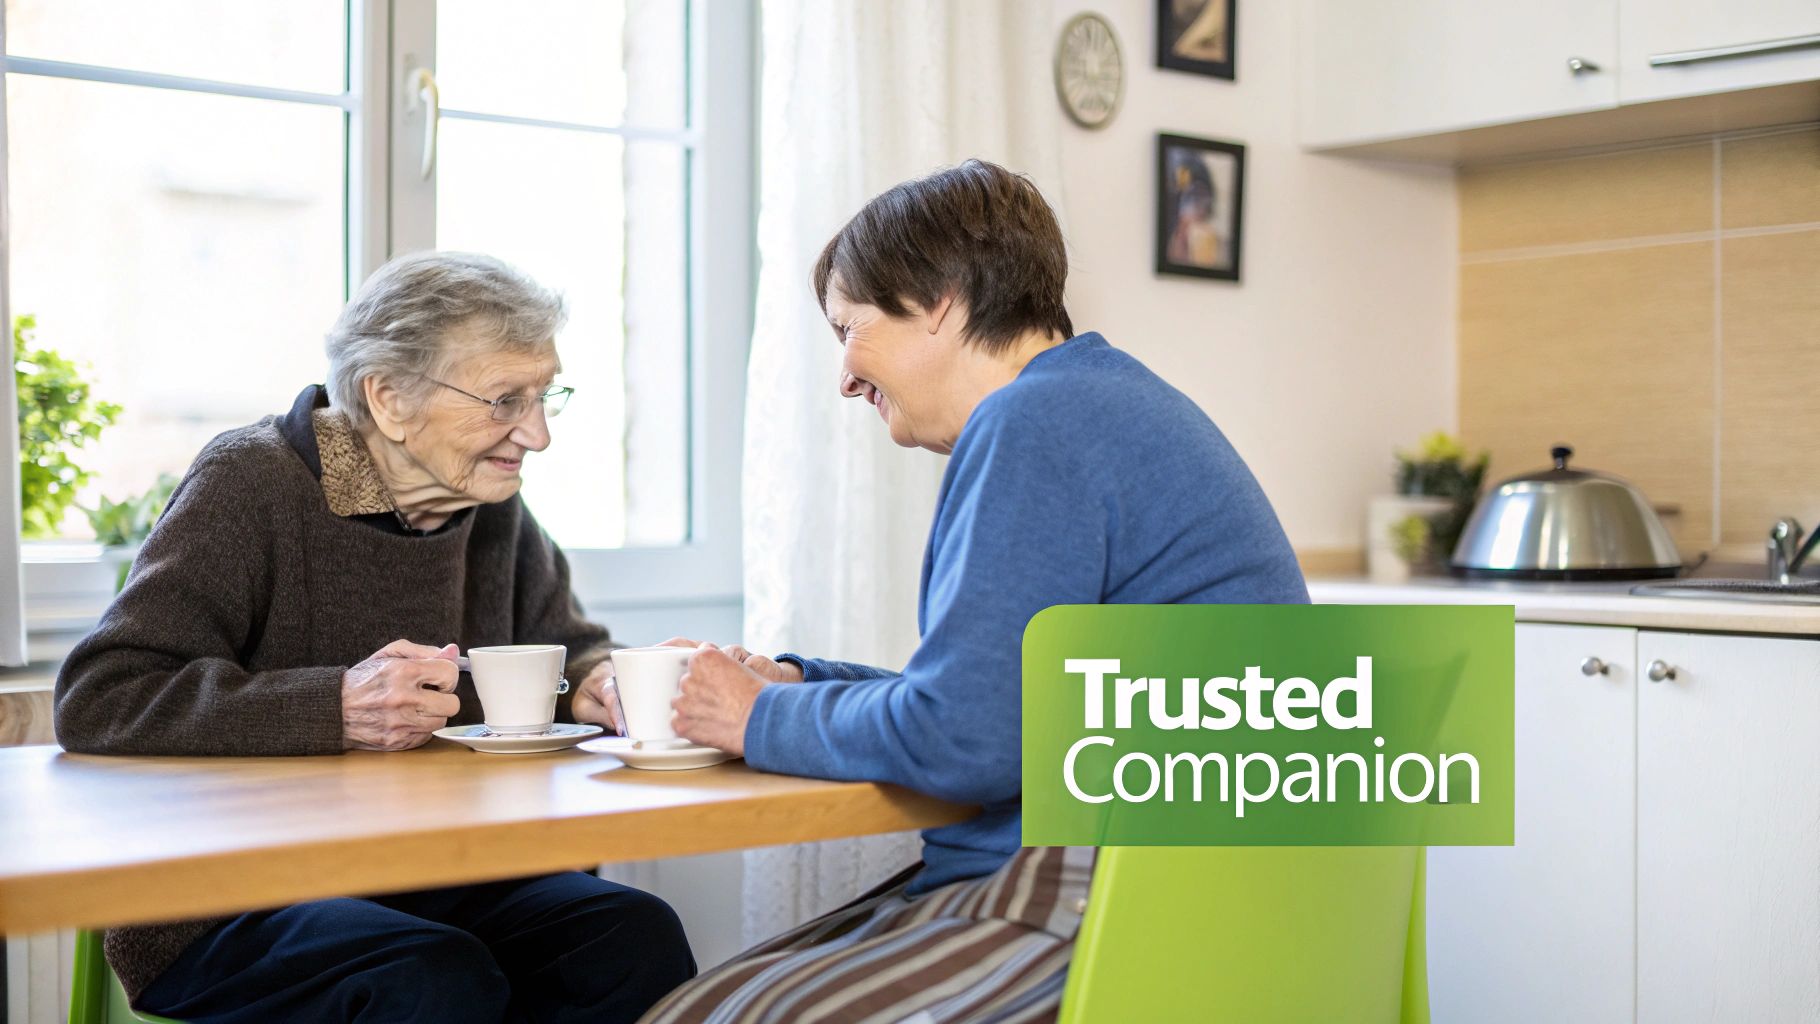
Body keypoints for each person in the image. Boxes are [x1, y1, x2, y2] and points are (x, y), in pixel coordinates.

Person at [570, 160, 1307, 1023]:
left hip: (1124, 898)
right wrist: (802, 684)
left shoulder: (1035, 423)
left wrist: (752, 717)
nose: (846, 376)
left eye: (850, 327)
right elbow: (1002, 707)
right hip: (1227, 892)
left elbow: (968, 742)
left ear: (940, 301)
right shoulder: (1104, 403)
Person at [55, 251, 696, 1023]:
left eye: (545, 395)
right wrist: (334, 705)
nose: (538, 433)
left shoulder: (487, 505)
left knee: (628, 934)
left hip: (430, 866)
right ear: (389, 398)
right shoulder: (254, 483)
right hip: (227, 893)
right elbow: (102, 695)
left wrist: (599, 682)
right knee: (429, 976)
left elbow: (567, 643)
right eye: (505, 400)